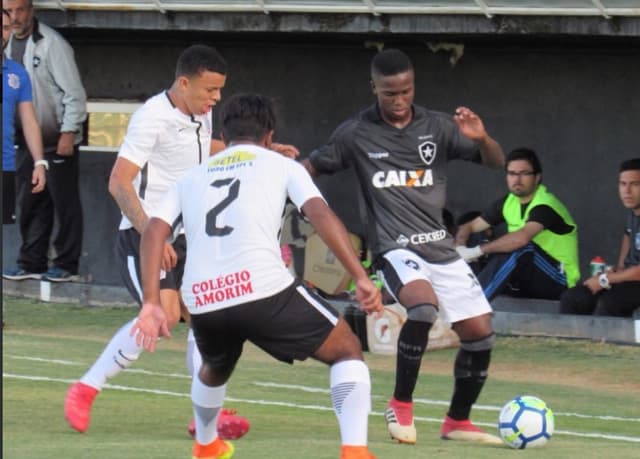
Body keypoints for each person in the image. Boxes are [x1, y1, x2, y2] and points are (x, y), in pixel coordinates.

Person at [131, 93, 383, 459]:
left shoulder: (192, 177)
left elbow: (153, 232)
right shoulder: (283, 165)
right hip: (263, 291)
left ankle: (206, 445)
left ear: (223, 133)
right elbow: (321, 215)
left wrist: (152, 300)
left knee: (216, 366)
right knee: (346, 350)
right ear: (269, 135)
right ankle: (355, 452)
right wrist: (359, 274)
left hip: (202, 298)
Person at [302, 48, 505, 445]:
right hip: (394, 247)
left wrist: (483, 138)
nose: (399, 101)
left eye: (406, 91)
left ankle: (457, 422)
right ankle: (401, 404)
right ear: (374, 87)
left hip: (440, 248)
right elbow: (311, 167)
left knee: (480, 333)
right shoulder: (355, 133)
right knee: (423, 307)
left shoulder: (438, 127)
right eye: (389, 93)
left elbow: (494, 161)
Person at [63, 44, 250, 440]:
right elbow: (118, 181)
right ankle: (85, 388)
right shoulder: (151, 118)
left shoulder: (200, 112)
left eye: (219, 91)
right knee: (162, 313)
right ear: (183, 83)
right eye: (209, 91)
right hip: (144, 234)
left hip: (187, 237)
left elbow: (199, 153)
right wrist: (152, 232)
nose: (216, 99)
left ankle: (205, 415)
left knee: (206, 317)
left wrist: (253, 152)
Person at [3, 0, 86, 282]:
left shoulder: (52, 44)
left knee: (64, 204)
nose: (14, 17)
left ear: (31, 10)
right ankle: (31, 262)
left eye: (20, 10)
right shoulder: (5, 44)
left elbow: (74, 93)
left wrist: (68, 131)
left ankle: (67, 265)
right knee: (29, 202)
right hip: (26, 140)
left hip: (57, 138)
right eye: (8, 11)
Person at [456, 148, 580, 301]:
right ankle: (454, 298)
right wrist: (460, 247)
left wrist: (476, 251)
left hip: (557, 280)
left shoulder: (545, 205)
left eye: (524, 174)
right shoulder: (508, 203)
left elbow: (521, 239)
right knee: (476, 238)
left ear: (537, 178)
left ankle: (472, 307)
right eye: (512, 174)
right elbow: (468, 226)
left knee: (520, 248)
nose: (517, 179)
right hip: (525, 279)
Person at [560, 159, 640, 317]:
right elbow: (628, 235)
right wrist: (616, 271)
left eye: (635, 184)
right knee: (574, 298)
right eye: (623, 184)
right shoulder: (632, 212)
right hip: (630, 280)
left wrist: (606, 279)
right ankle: (573, 341)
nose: (627, 191)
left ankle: (607, 342)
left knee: (610, 303)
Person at [2, 7, 46, 226]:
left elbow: (29, 120)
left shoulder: (17, 73)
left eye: (5, 28)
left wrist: (39, 162)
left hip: (5, 165)